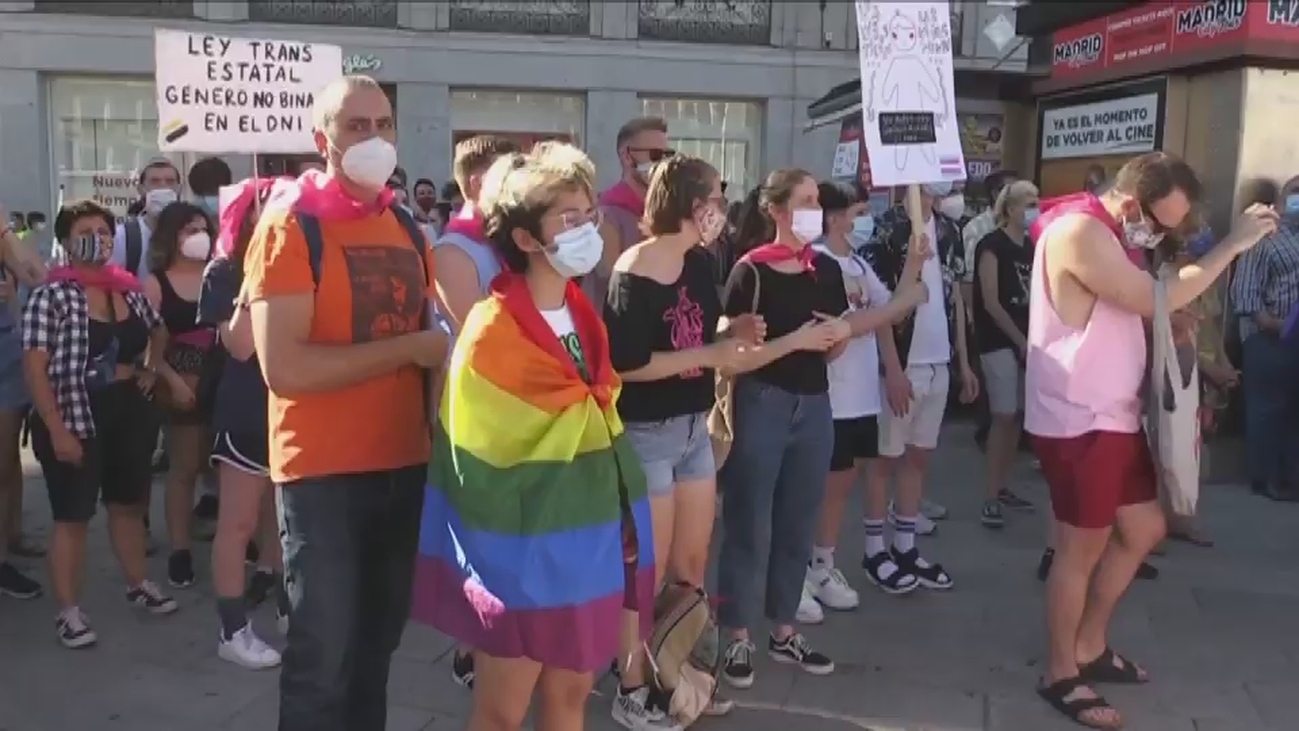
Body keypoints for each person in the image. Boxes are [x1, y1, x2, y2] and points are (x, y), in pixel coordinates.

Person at [1027, 152, 1276, 728]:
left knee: (1145, 527)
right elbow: (1146, 296)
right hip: (1079, 418)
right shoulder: (1082, 231)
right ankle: (1060, 670)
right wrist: (1230, 246)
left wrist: (1165, 317)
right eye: (1162, 223)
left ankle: (1089, 644)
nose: (1162, 235)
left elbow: (1134, 301)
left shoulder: (1114, 234)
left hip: (1112, 414)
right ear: (1134, 201)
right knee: (1077, 552)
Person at [413, 142, 654, 731]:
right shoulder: (490, 330)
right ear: (525, 239)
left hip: (588, 540)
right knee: (501, 712)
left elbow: (599, 412)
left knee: (570, 700)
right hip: (520, 552)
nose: (586, 229)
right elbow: (480, 450)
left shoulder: (583, 314)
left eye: (589, 214)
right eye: (568, 219)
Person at [242, 75, 447, 731]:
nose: (374, 138)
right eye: (355, 125)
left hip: (403, 463)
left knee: (375, 650)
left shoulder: (406, 228)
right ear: (320, 138)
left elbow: (435, 353)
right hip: (321, 472)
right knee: (320, 656)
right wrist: (411, 348)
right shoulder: (289, 227)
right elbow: (286, 368)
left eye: (383, 123)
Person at [603, 155, 751, 727]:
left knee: (691, 563)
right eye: (717, 194)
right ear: (692, 204)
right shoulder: (633, 270)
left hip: (693, 430)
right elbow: (626, 366)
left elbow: (698, 329)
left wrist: (729, 334)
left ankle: (681, 675)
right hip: (647, 434)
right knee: (645, 570)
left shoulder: (699, 260)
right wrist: (709, 354)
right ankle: (631, 687)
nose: (722, 206)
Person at [22, 200, 181, 649]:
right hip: (73, 412)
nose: (99, 237)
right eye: (87, 230)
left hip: (127, 409)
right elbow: (35, 368)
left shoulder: (127, 291)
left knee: (127, 504)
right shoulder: (50, 296)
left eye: (104, 230)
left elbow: (159, 329)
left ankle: (137, 583)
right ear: (67, 242)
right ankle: (69, 611)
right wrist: (55, 428)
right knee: (72, 516)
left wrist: (150, 370)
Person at [716, 168, 852, 688]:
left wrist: (836, 336)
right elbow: (730, 347)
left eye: (817, 200)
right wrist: (793, 341)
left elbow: (836, 338)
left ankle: (784, 628)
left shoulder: (825, 269)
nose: (815, 209)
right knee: (748, 521)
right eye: (805, 200)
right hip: (763, 402)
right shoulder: (751, 270)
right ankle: (737, 635)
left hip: (815, 403)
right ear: (775, 210)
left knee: (799, 519)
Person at [425, 134, 521, 690]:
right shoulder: (454, 252)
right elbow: (477, 339)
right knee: (479, 542)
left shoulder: (506, 244)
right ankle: (470, 650)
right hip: (478, 416)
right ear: (481, 183)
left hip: (519, 415)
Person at [805, 182, 927, 609]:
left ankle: (822, 563)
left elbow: (890, 309)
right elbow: (847, 324)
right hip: (831, 394)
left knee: (845, 480)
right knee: (822, 485)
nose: (865, 220)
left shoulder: (855, 262)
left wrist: (914, 263)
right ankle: (804, 567)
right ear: (835, 218)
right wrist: (902, 301)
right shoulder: (817, 263)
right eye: (858, 212)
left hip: (860, 396)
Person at [200, 177, 291, 669]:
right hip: (245, 413)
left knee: (285, 521)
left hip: (292, 409)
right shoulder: (224, 271)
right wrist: (258, 274)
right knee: (237, 524)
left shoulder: (299, 259)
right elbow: (239, 345)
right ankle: (232, 629)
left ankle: (286, 606)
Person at [860, 181, 978, 554]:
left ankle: (906, 544)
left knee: (919, 456)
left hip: (938, 361)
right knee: (886, 459)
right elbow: (879, 307)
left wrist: (962, 359)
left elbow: (954, 297)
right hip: (904, 361)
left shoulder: (948, 229)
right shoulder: (888, 229)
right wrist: (892, 368)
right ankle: (875, 548)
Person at [140, 202, 219, 589]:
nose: (199, 236)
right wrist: (172, 380)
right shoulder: (156, 283)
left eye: (203, 228)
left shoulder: (221, 274)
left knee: (223, 467)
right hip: (180, 387)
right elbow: (148, 347)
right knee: (184, 469)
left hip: (222, 381)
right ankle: (180, 550)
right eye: (190, 229)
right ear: (172, 236)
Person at [972, 180, 1039, 529]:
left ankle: (1003, 485)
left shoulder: (1032, 245)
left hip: (1028, 339)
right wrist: (1019, 340)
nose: (1034, 208)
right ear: (1010, 208)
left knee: (1017, 416)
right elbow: (991, 302)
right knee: (1003, 413)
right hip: (998, 340)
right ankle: (990, 495)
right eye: (1028, 202)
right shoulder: (991, 245)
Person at [1230, 175, 1299, 501]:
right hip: (1266, 337)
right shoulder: (1263, 237)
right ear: (1283, 201)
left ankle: (1290, 477)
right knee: (1267, 409)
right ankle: (1265, 479)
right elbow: (1244, 292)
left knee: (1292, 411)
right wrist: (1272, 323)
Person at [0, 216, 44, 599]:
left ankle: (10, 539)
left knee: (8, 459)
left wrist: (4, 231)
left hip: (6, 351)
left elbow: (37, 276)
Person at [591, 117, 673, 303]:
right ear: (627, 156)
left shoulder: (667, 211)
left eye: (668, 155)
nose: (663, 163)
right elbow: (612, 278)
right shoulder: (606, 212)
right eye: (655, 155)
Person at [112, 158, 182, 279]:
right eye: (155, 182)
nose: (163, 187)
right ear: (141, 189)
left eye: (170, 181)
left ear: (179, 189)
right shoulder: (123, 236)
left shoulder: (192, 233)